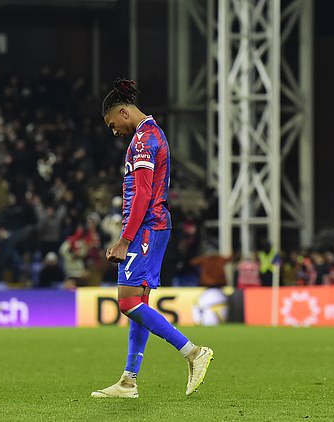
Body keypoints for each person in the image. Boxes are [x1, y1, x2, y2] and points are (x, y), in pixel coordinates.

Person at [91, 78, 213, 399]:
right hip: (152, 227)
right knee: (138, 303)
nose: (113, 129)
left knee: (128, 301)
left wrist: (124, 240)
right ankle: (129, 380)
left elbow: (143, 192)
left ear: (123, 112)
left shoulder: (144, 140)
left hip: (146, 228)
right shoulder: (150, 134)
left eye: (111, 122)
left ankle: (192, 352)